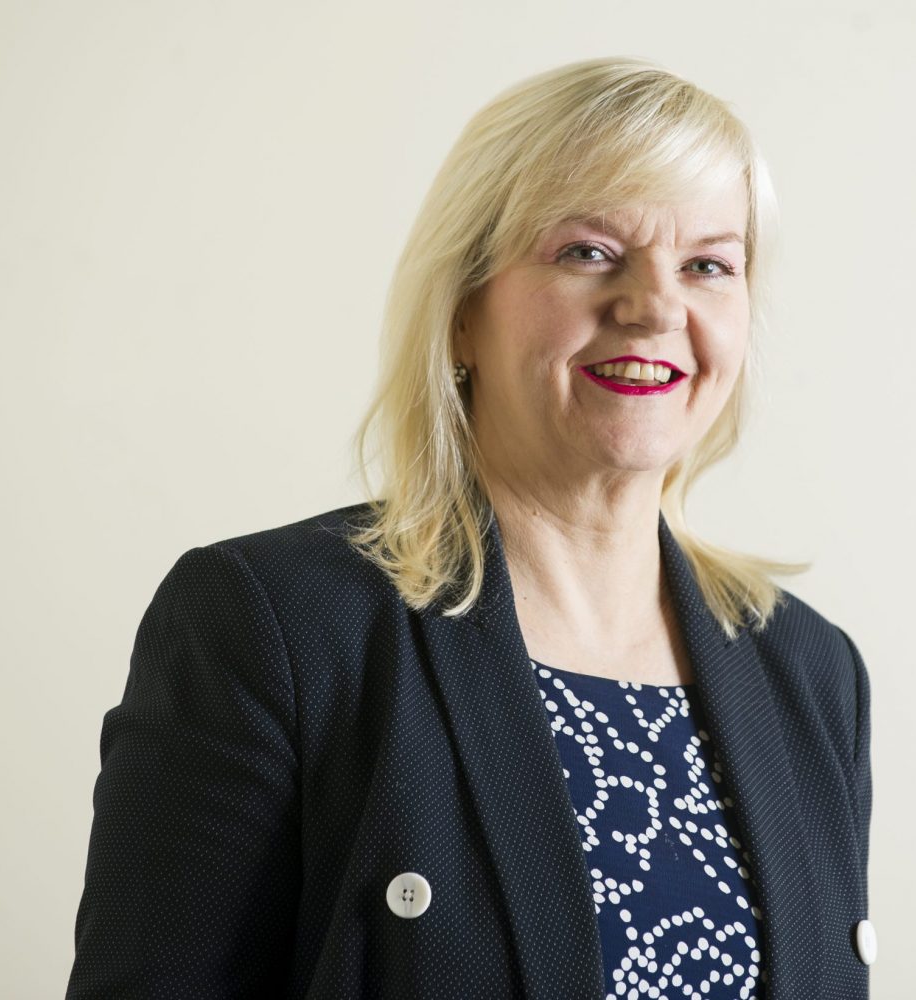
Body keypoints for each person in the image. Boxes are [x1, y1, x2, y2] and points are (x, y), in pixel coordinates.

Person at [67, 55, 875, 1000]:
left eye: (708, 265)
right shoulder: (275, 628)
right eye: (587, 252)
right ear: (460, 312)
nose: (655, 305)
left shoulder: (812, 673)